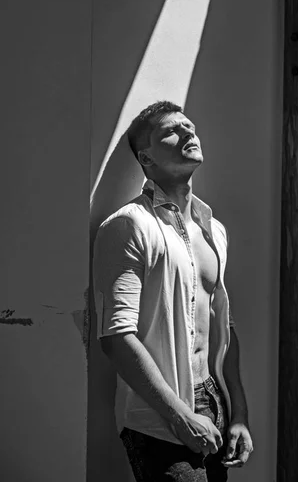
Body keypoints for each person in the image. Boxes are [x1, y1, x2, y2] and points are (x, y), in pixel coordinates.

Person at [93, 100, 253, 481]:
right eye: (172, 131)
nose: (187, 133)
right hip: (158, 416)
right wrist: (180, 416)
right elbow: (116, 337)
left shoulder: (213, 228)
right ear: (146, 158)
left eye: (189, 126)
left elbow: (223, 327)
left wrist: (240, 414)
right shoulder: (129, 226)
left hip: (213, 400)